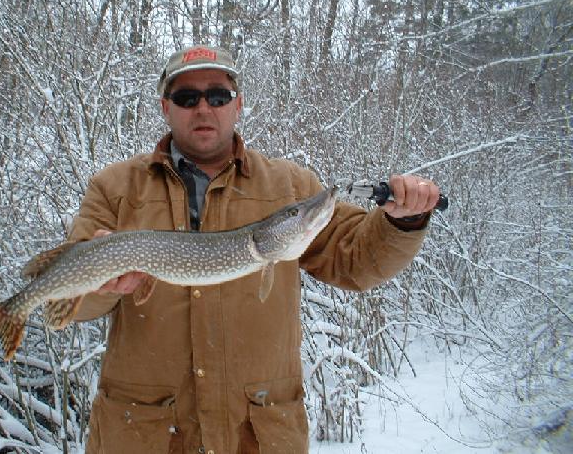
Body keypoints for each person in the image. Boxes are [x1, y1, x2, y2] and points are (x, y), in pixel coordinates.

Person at [67, 45, 440, 454]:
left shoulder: (290, 186)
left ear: (238, 104)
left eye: (218, 96)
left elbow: (355, 260)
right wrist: (99, 283)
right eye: (187, 98)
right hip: (144, 437)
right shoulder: (115, 188)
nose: (204, 109)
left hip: (257, 437)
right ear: (165, 107)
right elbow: (72, 298)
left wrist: (403, 221)